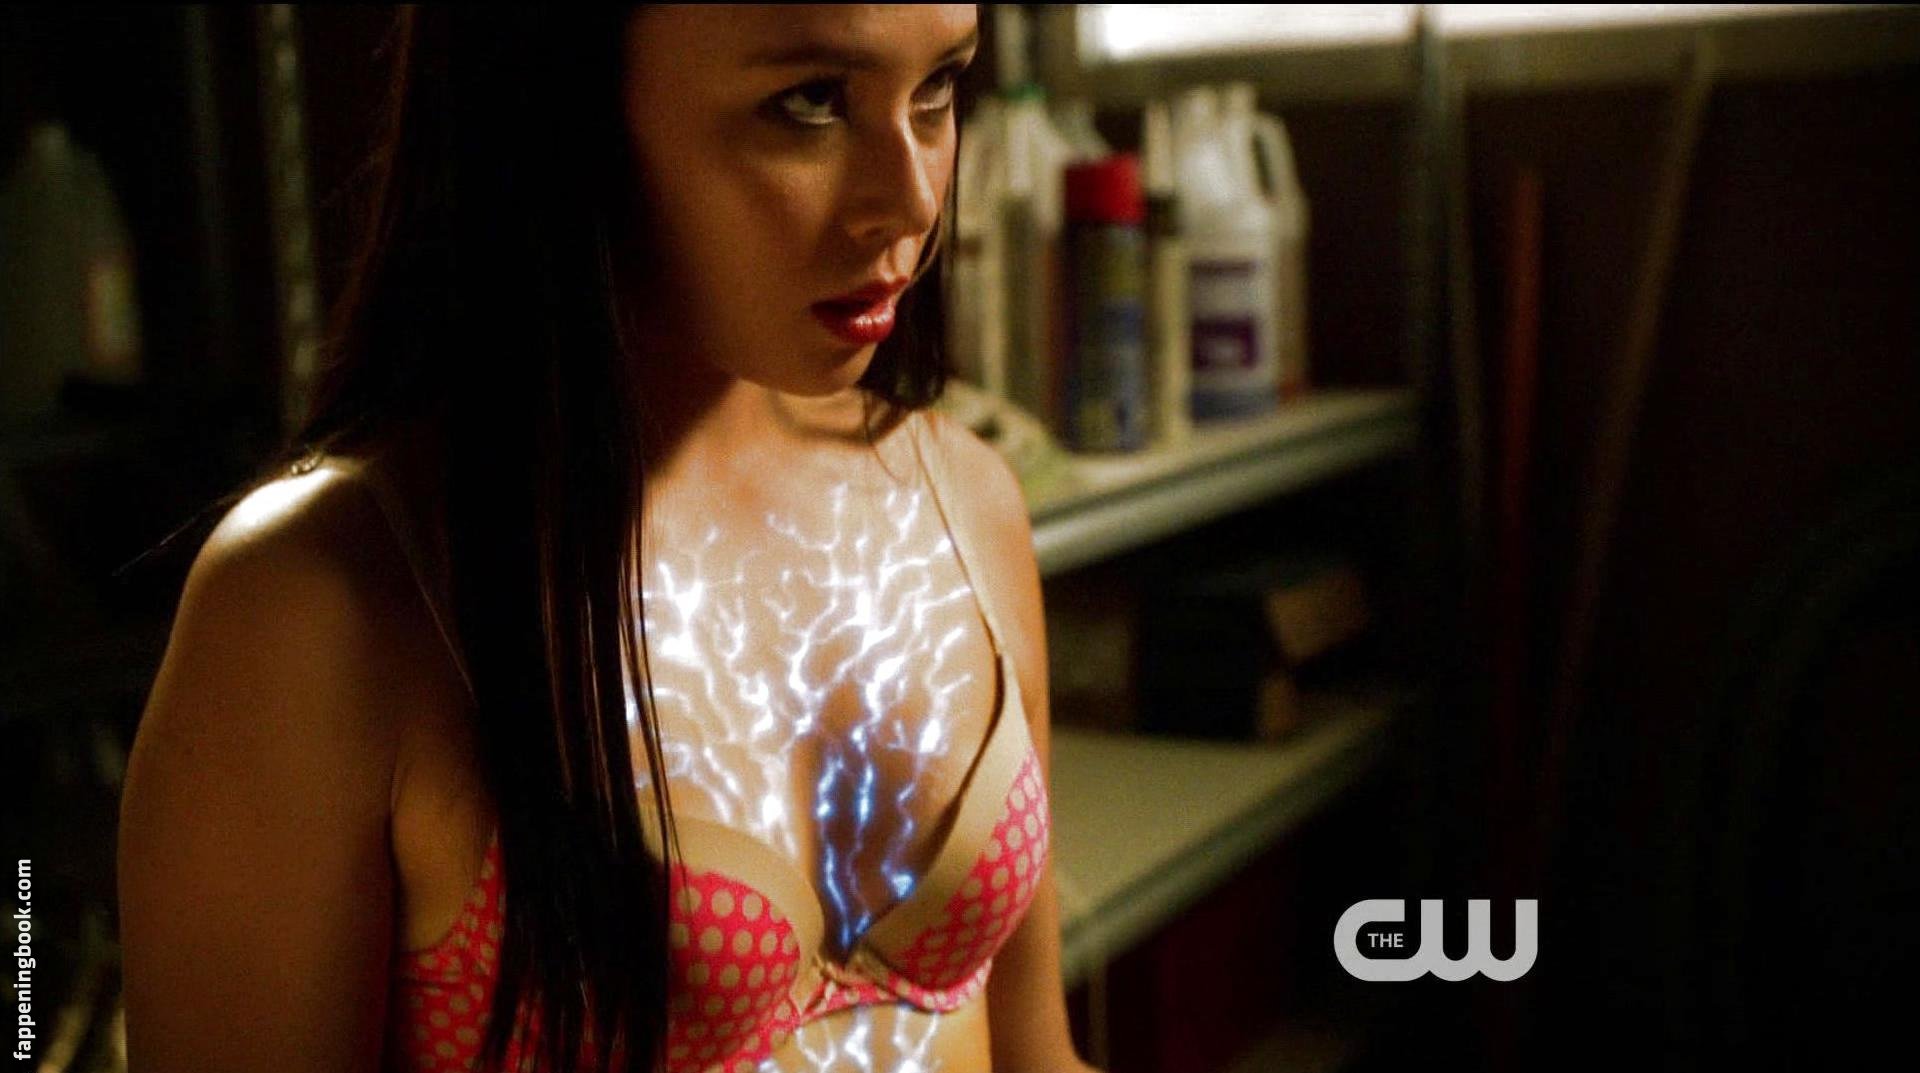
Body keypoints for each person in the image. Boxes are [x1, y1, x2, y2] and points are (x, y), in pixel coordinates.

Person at [116, 7, 1099, 1072]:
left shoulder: (960, 500)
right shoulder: (322, 610)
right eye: (810, 101)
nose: (910, 199)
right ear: (563, 101)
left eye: (938, 86)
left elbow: (1039, 1055)